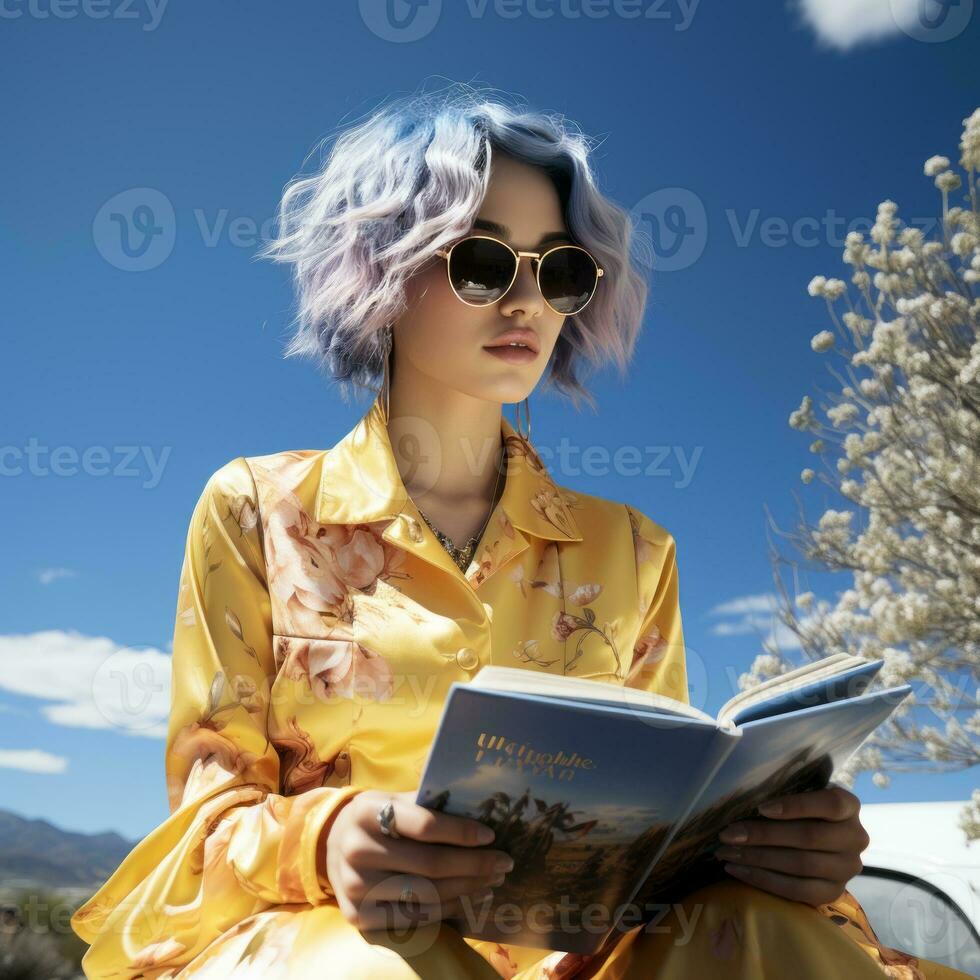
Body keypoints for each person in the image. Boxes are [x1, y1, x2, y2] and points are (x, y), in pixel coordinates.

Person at [69, 82, 970, 979]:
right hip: (334, 945)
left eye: (562, 270)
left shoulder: (636, 551)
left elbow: (653, 844)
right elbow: (208, 819)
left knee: (767, 931)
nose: (528, 301)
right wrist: (331, 837)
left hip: (572, 962)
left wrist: (775, 849)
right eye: (483, 264)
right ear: (383, 269)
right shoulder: (254, 509)